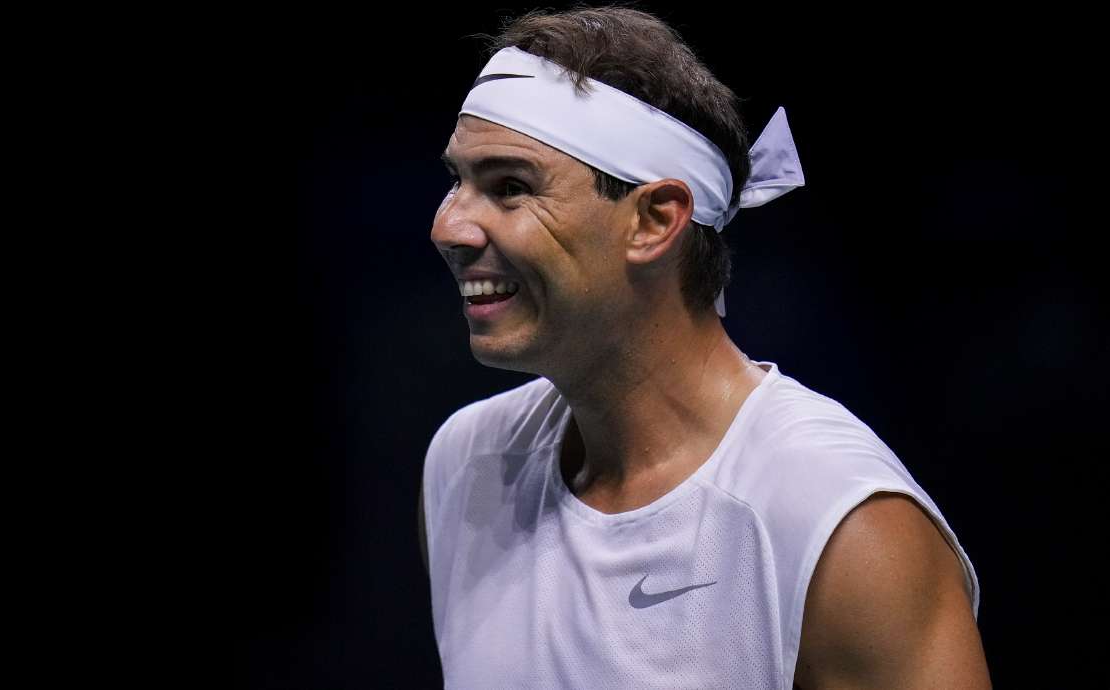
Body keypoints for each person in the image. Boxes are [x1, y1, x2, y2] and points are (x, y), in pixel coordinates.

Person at [419, 7, 990, 688]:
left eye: (510, 187)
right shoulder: (465, 466)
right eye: (457, 181)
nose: (448, 227)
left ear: (655, 220)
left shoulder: (844, 525)